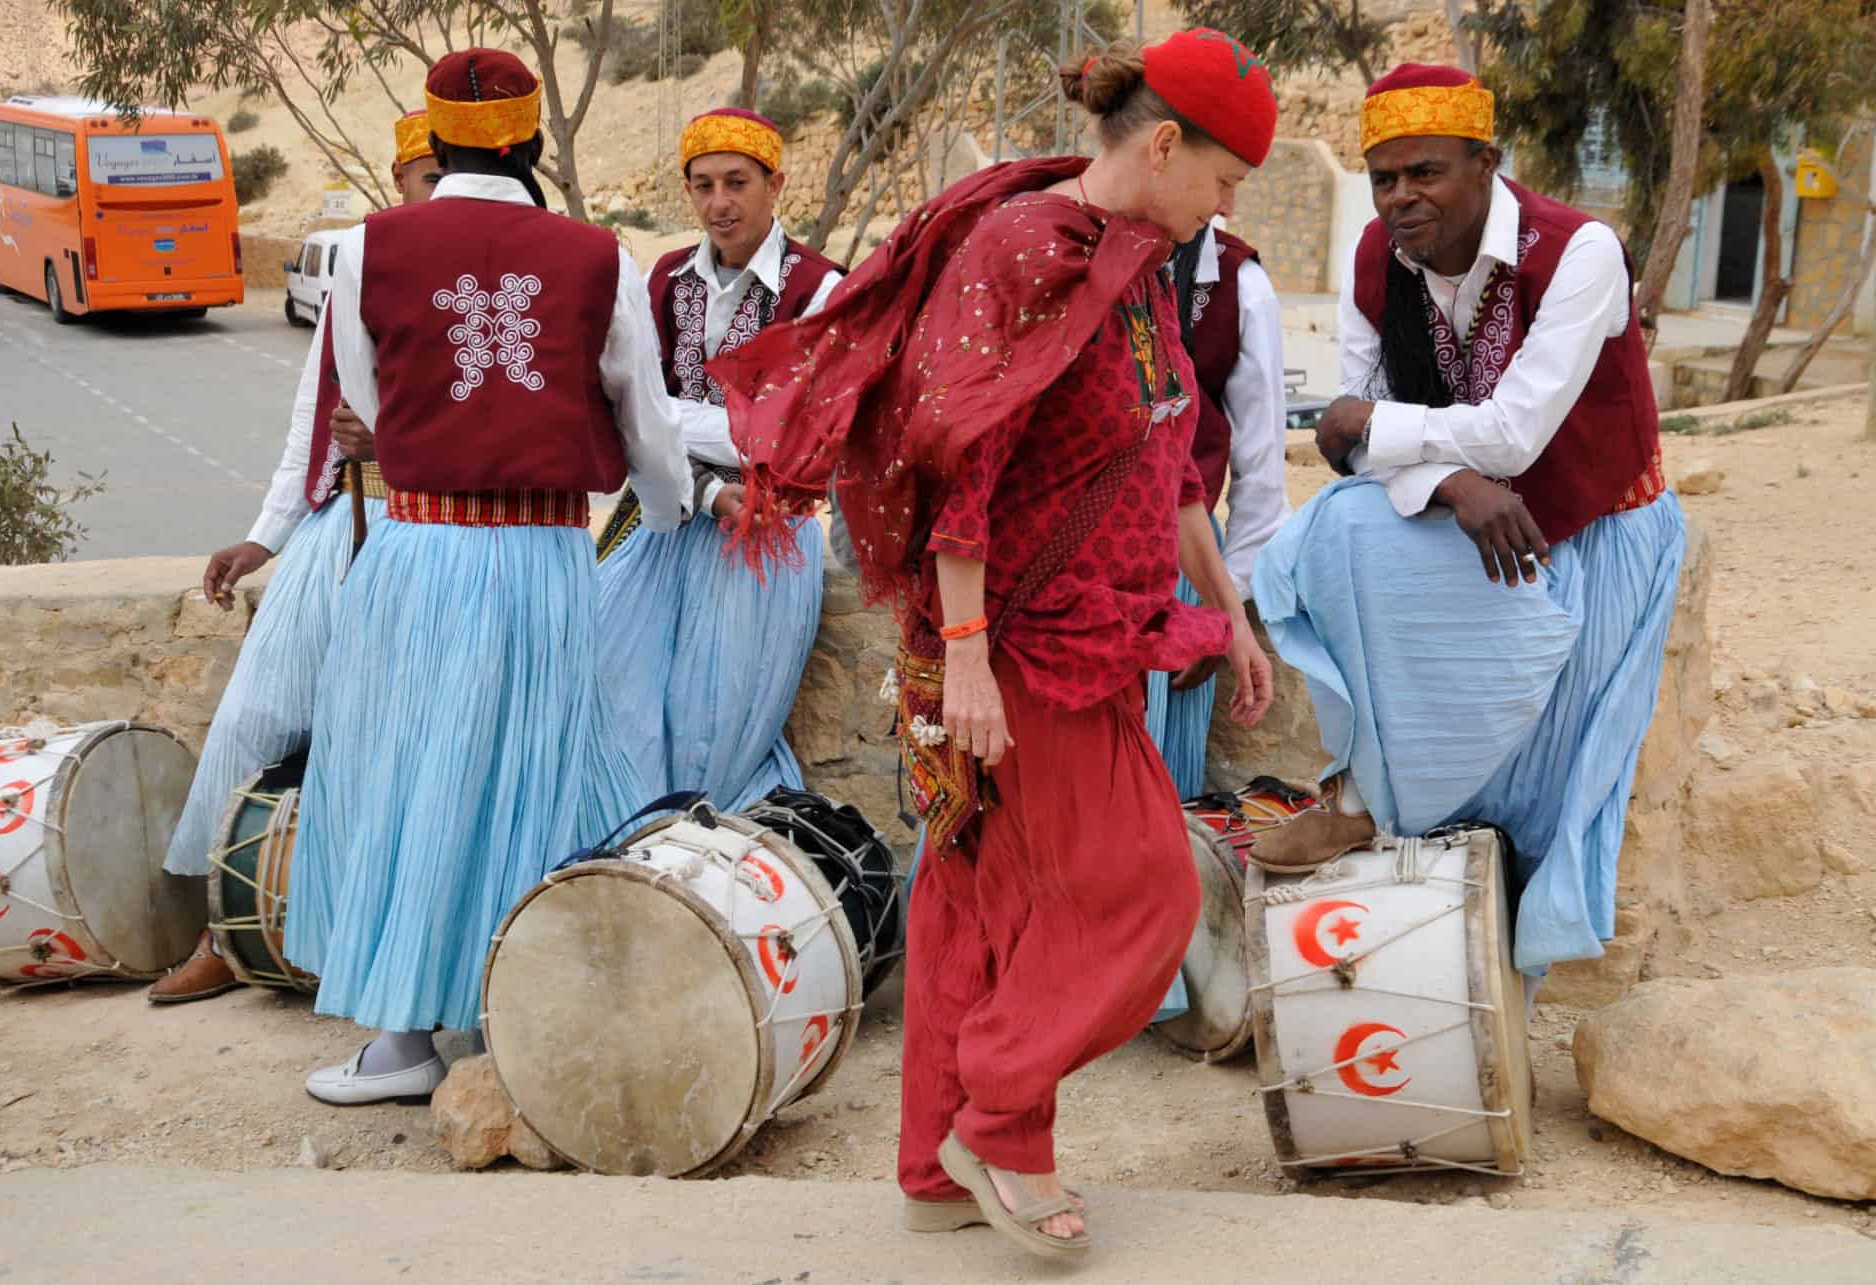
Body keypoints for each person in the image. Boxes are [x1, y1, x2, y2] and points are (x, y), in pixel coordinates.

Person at [713, 30, 1278, 1260]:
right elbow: (958, 450)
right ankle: (1004, 1123)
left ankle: (934, 1160)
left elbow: (1170, 450)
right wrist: (965, 652)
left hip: (1096, 631)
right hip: (1023, 648)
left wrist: (1226, 610)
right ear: (1168, 146)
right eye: (1227, 181)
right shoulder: (1024, 246)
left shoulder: (1136, 263)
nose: (1229, 208)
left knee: (981, 900)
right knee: (1145, 890)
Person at [284, 48, 691, 1105]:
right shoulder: (594, 254)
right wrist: (670, 507)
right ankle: (534, 1012)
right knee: (535, 778)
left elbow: (366, 402)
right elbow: (642, 418)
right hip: (538, 556)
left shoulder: (364, 247)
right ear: (526, 140)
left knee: (407, 775)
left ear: (438, 137)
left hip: (414, 552)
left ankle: (405, 1040)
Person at [1247, 64, 1686, 996]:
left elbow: (1508, 430)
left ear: (1487, 162)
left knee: (1551, 767)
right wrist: (1452, 478)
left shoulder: (1579, 251)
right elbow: (1359, 448)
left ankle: (1500, 980)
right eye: (1384, 177)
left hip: (1601, 528)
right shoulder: (1374, 257)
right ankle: (1362, 794)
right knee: (1322, 537)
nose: (1402, 198)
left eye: (1427, 173)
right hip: (1470, 521)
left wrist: (1375, 428)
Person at [147, 111, 443, 1004]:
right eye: (423, 175)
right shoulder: (361, 267)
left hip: (443, 537)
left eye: (448, 174)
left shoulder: (498, 278)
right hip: (340, 526)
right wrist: (262, 539)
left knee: (399, 744)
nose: (434, 192)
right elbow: (307, 428)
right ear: (400, 182)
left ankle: (370, 945)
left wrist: (389, 438)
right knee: (255, 716)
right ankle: (221, 927)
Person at [593, 107, 842, 810]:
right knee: (611, 681)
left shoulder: (820, 288)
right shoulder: (669, 278)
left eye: (737, 182)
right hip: (671, 519)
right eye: (702, 186)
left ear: (776, 185)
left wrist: (676, 418)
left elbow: (796, 440)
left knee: (716, 727)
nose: (718, 203)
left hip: (763, 538)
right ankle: (631, 861)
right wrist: (710, 470)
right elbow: (631, 413)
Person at [1143, 219, 1290, 800]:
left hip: (1184, 556)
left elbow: (1262, 471)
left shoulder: (1240, 285)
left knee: (1152, 778)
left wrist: (1220, 606)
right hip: (1078, 556)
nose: (1226, 199)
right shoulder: (1087, 245)